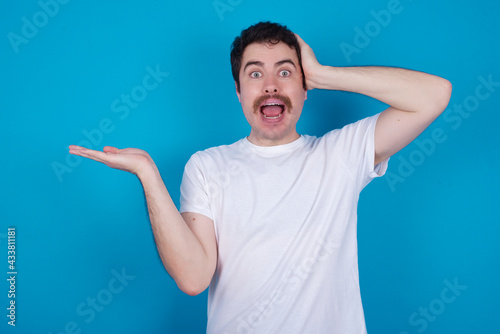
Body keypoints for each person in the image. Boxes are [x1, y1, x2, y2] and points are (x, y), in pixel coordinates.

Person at [69, 22, 451, 334]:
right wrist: (149, 176)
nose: (271, 85)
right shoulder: (206, 166)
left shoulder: (341, 154)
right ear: (238, 92)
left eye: (285, 72)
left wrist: (323, 74)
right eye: (255, 73)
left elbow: (434, 94)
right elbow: (192, 277)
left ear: (305, 91)